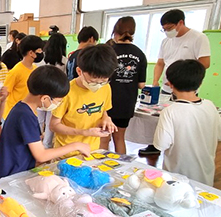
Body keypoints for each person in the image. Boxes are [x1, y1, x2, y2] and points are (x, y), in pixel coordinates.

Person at [0, 66, 90, 180]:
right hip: (8, 176)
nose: (58, 105)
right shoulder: (24, 115)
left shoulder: (23, 109)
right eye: (58, 101)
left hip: (14, 171)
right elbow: (41, 155)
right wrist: (76, 145)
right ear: (45, 98)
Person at [140, 9, 211, 155]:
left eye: (169, 28)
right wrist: (155, 81)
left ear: (180, 22)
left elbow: (204, 62)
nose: (167, 31)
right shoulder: (166, 41)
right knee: (162, 115)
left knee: (183, 118)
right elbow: (160, 63)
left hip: (185, 87)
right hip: (168, 86)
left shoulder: (198, 38)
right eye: (164, 29)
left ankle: (182, 145)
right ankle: (156, 144)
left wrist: (181, 77)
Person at [153, 60, 221, 186]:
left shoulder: (170, 111)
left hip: (175, 179)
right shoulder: (210, 105)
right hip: (205, 178)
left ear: (170, 84)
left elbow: (161, 144)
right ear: (200, 82)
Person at [50, 44, 118, 153]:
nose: (98, 85)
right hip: (66, 152)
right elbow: (54, 126)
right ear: (79, 71)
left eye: (103, 81)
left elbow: (103, 111)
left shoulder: (106, 87)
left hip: (92, 151)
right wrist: (85, 132)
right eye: (93, 81)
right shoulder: (67, 91)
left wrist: (106, 119)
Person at [101, 17, 147, 154]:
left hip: (108, 101)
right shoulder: (140, 54)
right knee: (120, 138)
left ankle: (101, 168)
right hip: (127, 102)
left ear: (115, 32)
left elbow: (101, 79)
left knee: (104, 138)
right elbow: (141, 84)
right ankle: (121, 170)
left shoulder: (108, 51)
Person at [35, 33, 68, 148]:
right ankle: (47, 145)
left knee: (38, 121)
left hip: (40, 94)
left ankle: (36, 144)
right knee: (50, 123)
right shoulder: (64, 61)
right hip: (55, 96)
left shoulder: (41, 59)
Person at [3, 35, 45, 119]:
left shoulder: (35, 70)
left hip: (30, 113)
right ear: (31, 53)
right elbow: (5, 94)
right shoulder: (15, 72)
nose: (41, 53)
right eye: (39, 50)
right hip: (14, 115)